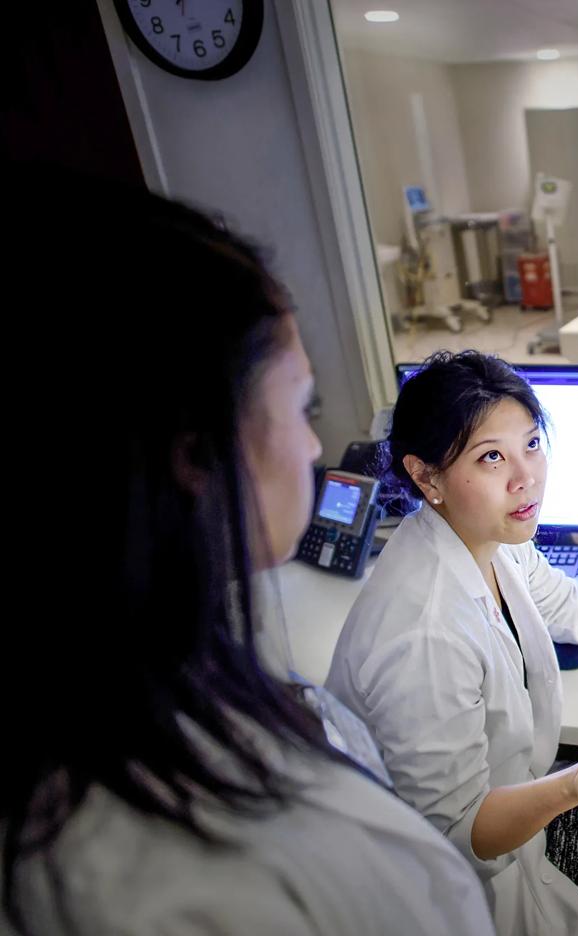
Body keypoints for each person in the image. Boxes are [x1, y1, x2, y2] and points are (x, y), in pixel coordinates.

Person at [2, 179, 495, 935]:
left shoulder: (161, 668)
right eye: (302, 407)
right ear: (193, 456)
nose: (313, 447)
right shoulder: (190, 887)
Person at [325, 351, 578, 936]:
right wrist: (576, 781)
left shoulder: (495, 541)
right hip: (444, 890)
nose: (526, 477)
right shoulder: (424, 635)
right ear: (427, 477)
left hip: (505, 826)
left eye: (532, 444)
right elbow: (461, 834)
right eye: (491, 457)